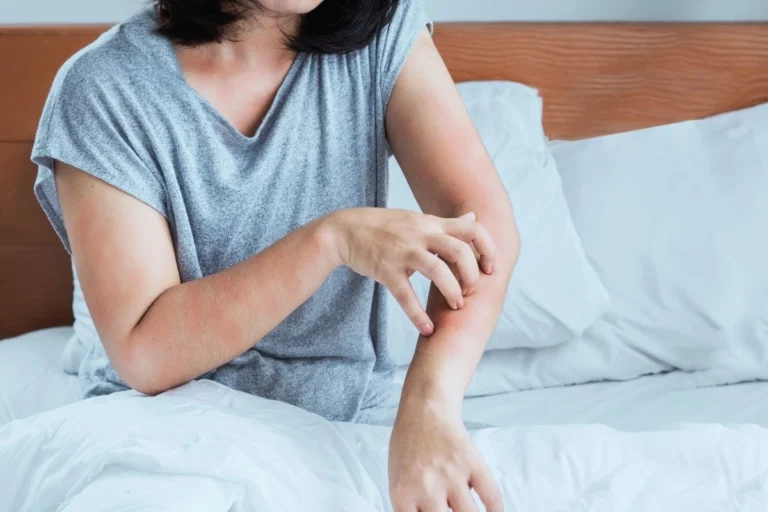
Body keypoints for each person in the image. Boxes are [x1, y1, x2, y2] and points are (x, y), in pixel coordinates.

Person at [31, 0, 519, 510]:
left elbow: (485, 233)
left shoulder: (382, 37)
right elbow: (145, 352)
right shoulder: (103, 87)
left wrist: (430, 408)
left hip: (346, 421)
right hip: (163, 428)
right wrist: (332, 240)